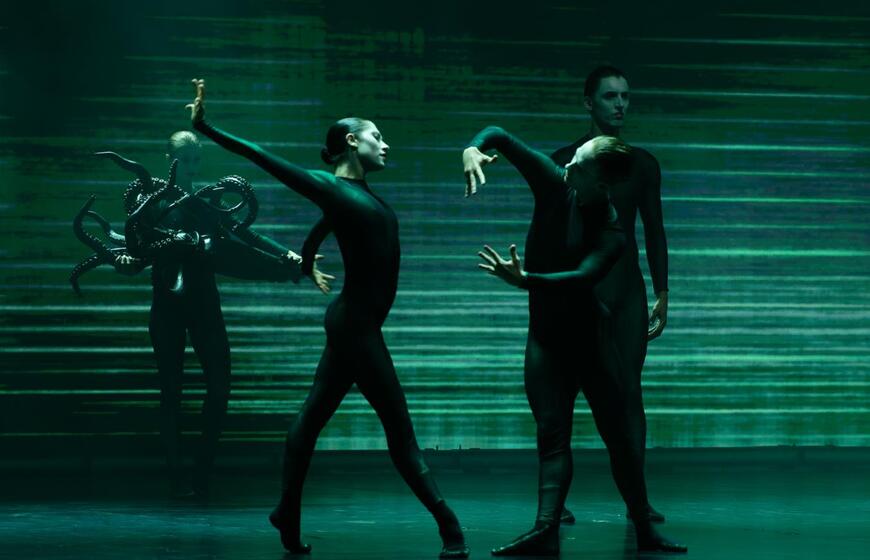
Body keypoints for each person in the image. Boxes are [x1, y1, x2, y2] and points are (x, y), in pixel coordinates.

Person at [186, 78, 468, 558]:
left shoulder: (357, 195)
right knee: (400, 431)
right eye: (377, 136)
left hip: (353, 324)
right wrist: (205, 126)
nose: (385, 144)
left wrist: (307, 260)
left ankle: (287, 513)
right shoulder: (330, 187)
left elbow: (328, 225)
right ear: (352, 141)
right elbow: (260, 156)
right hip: (356, 326)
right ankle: (451, 529)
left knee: (312, 417)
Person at [463, 126, 685, 555]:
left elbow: (582, 278)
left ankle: (644, 527)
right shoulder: (554, 180)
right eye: (573, 156)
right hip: (546, 339)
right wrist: (473, 148)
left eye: (579, 165)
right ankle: (545, 528)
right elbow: (502, 137)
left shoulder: (612, 232)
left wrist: (526, 280)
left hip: (590, 342)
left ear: (601, 184)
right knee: (552, 433)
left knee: (618, 438)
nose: (567, 165)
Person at [115, 130, 302, 499]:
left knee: (218, 387)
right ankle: (176, 476)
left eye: (195, 159)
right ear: (169, 159)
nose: (191, 166)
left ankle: (201, 474)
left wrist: (286, 254)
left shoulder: (205, 203)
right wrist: (125, 264)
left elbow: (244, 234)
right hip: (167, 307)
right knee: (171, 391)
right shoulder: (149, 203)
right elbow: (138, 255)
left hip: (204, 306)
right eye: (184, 160)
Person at [551, 65, 668, 523]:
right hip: (578, 289)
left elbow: (654, 231)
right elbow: (552, 235)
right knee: (562, 394)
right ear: (589, 102)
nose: (620, 104)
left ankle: (638, 502)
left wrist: (662, 292)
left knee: (628, 394)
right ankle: (552, 503)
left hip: (625, 293)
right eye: (609, 96)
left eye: (625, 96)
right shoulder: (564, 161)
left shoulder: (643, 164)